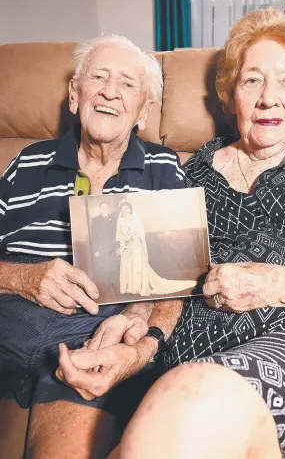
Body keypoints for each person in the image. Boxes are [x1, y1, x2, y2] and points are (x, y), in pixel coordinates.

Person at [62, 9, 285, 459]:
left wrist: (281, 283)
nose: (268, 98)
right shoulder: (194, 171)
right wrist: (135, 334)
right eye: (251, 81)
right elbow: (164, 284)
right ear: (230, 97)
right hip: (192, 349)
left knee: (188, 410)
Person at [0, 35, 185, 458]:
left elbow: (178, 282)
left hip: (94, 333)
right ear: (73, 94)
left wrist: (137, 318)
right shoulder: (27, 160)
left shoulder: (162, 168)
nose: (109, 91)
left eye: (127, 84)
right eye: (99, 77)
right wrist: (21, 277)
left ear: (143, 111)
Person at [116, 200, 196, 296]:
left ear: (130, 209)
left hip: (135, 246)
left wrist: (131, 237)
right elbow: (118, 235)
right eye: (123, 209)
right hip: (125, 246)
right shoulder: (120, 221)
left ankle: (139, 287)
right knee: (127, 266)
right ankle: (130, 287)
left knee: (137, 265)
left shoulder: (135, 220)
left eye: (127, 209)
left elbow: (140, 234)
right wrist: (123, 242)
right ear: (121, 210)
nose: (125, 211)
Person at [90, 200, 117, 294]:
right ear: (100, 208)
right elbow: (93, 236)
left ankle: (112, 287)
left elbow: (115, 233)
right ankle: (106, 289)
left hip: (112, 248)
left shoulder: (113, 218)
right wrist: (96, 250)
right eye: (103, 207)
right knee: (105, 268)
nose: (104, 209)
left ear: (108, 208)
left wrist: (116, 247)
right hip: (102, 249)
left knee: (112, 267)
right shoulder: (95, 220)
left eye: (106, 207)